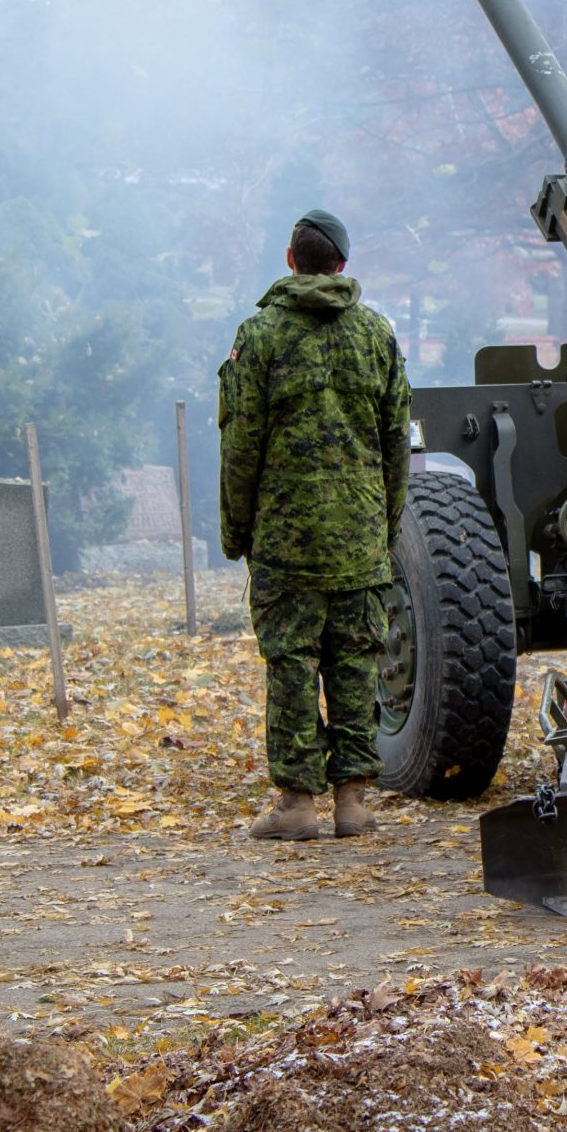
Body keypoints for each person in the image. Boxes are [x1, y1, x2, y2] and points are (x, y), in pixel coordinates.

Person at [219, 208, 413, 842]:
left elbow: (240, 446)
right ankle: (353, 802)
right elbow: (395, 447)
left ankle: (296, 804)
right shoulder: (377, 336)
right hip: (360, 539)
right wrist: (382, 529)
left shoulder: (260, 336)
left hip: (284, 539)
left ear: (289, 260)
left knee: (292, 665)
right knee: (356, 661)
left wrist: (236, 532)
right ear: (343, 266)